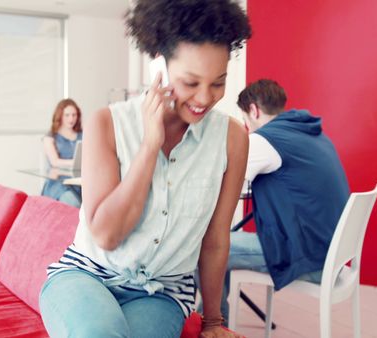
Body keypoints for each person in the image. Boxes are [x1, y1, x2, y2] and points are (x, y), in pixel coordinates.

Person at [38, 1, 252, 337]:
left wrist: (213, 323)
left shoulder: (232, 139)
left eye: (218, 82)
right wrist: (150, 145)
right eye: (191, 82)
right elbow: (107, 236)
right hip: (86, 275)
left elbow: (214, 239)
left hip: (161, 293)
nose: (205, 98)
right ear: (161, 67)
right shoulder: (107, 123)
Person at [220, 79, 351, 321]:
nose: (247, 125)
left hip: (310, 258)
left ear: (253, 111)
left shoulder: (265, 139)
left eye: (245, 119)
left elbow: (224, 180)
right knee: (222, 241)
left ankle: (213, 327)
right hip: (331, 254)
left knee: (211, 247)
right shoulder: (311, 132)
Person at [41, 98, 83, 208]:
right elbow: (55, 162)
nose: (71, 118)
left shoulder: (82, 135)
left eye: (74, 115)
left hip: (79, 183)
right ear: (60, 116)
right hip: (58, 184)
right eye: (67, 115)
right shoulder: (50, 137)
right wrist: (74, 163)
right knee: (74, 203)